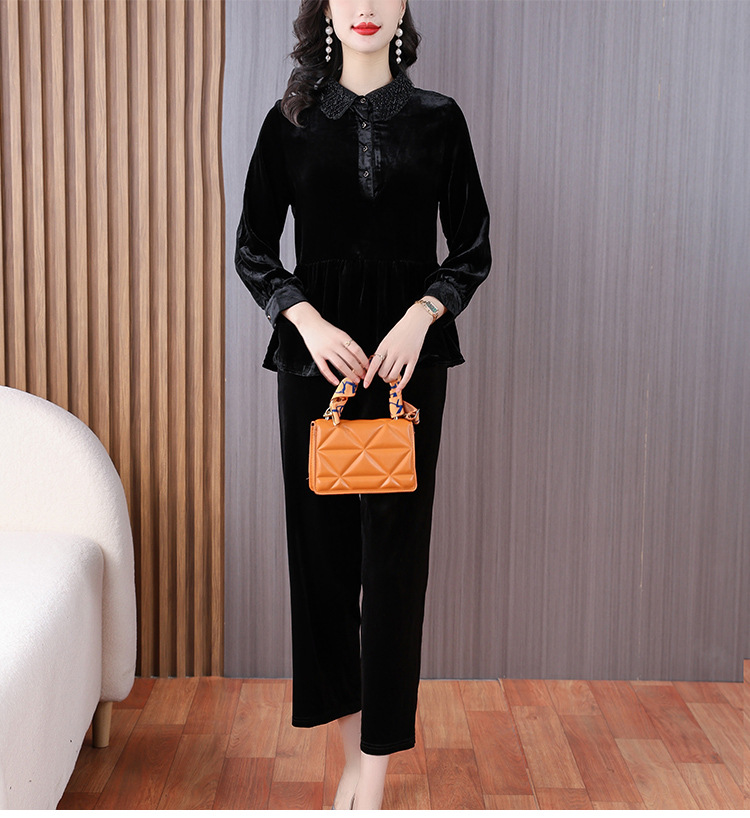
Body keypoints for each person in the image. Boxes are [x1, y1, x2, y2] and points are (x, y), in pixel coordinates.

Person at [235, 0, 491, 809]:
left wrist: (425, 312)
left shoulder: (440, 119)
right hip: (316, 365)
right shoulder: (290, 123)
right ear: (327, 10)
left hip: (409, 366)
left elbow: (472, 244)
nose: (368, 6)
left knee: (394, 568)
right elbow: (253, 247)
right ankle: (351, 754)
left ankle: (375, 766)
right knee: (321, 564)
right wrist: (305, 319)